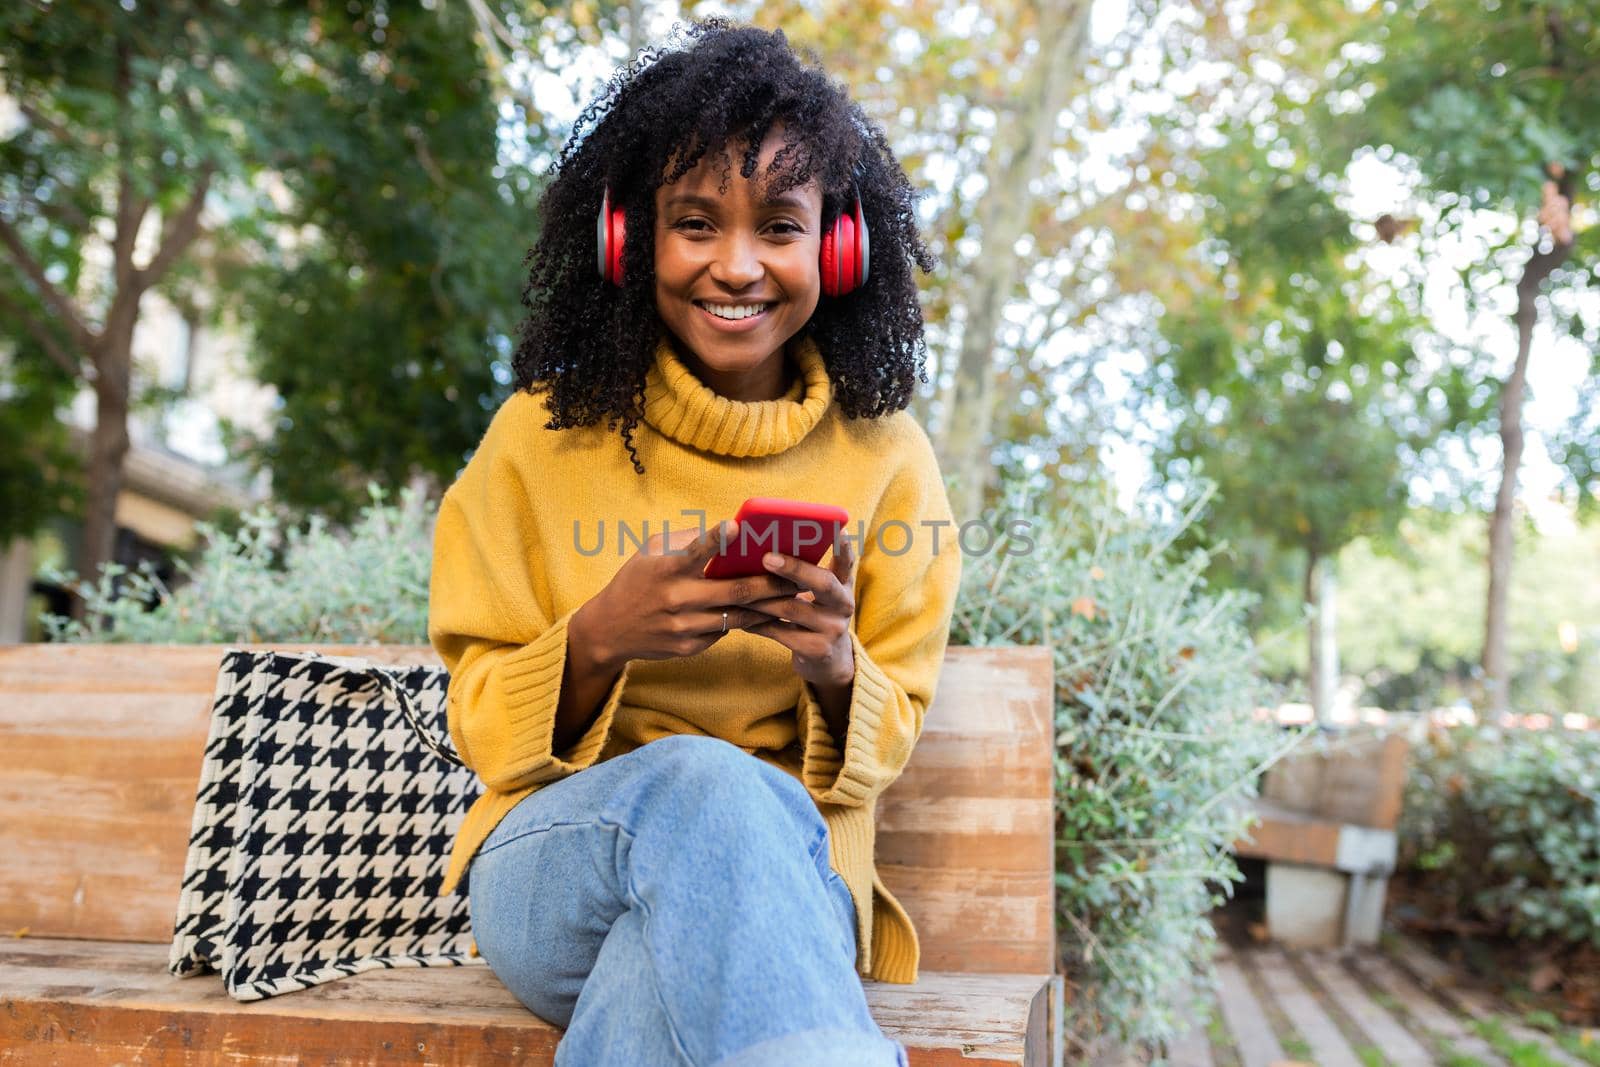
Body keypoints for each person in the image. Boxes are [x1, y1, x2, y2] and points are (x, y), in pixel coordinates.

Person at [427, 18, 961, 1066]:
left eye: (779, 226)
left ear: (837, 247)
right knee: (706, 782)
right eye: (695, 222)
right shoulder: (536, 439)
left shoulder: (889, 457)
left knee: (659, 970)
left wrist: (835, 666)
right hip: (550, 877)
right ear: (627, 238)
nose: (737, 265)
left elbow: (884, 743)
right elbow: (481, 726)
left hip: (785, 899)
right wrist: (597, 639)